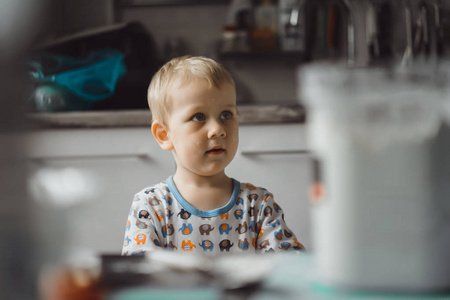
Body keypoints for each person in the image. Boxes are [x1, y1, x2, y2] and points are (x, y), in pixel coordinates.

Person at [122, 56, 304, 255]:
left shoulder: (258, 205)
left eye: (226, 115)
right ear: (164, 135)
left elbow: (291, 267)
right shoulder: (150, 206)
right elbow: (139, 274)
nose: (217, 130)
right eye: (198, 117)